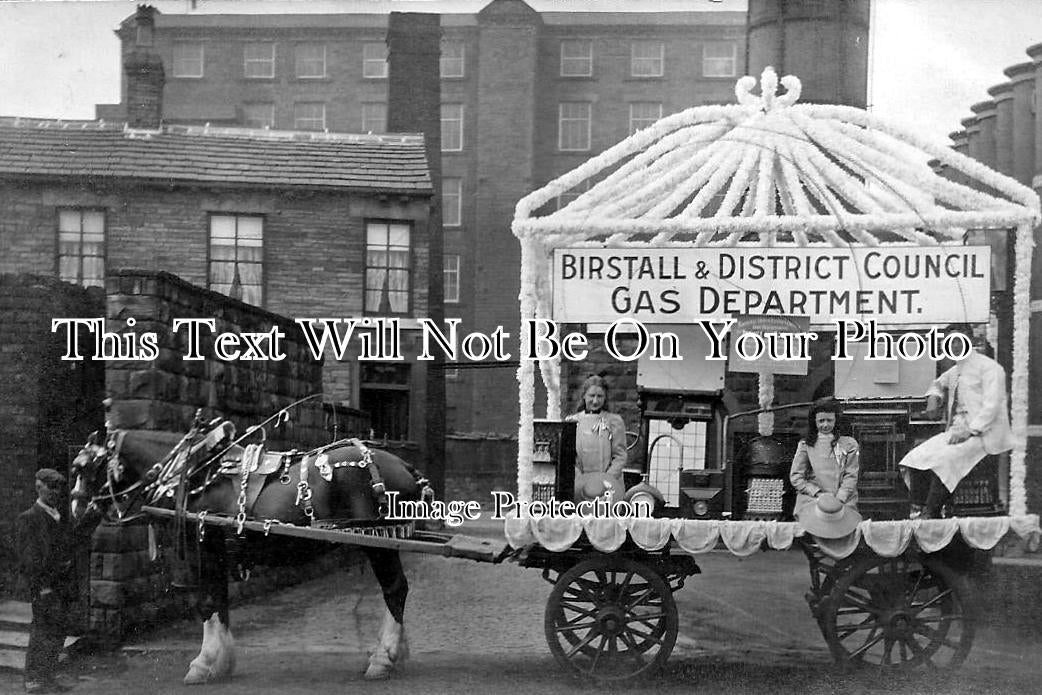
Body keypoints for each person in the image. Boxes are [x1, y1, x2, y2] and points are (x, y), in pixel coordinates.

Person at [899, 324, 1017, 519]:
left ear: (969, 341)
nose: (953, 346)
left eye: (957, 341)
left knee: (944, 460)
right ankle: (918, 509)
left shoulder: (989, 368)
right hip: (956, 431)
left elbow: (993, 406)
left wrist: (970, 431)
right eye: (949, 342)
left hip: (983, 434)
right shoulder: (956, 370)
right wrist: (934, 397)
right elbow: (937, 383)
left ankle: (931, 512)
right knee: (915, 457)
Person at [15, 469, 100, 694]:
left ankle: (48, 678)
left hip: (61, 588)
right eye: (49, 486)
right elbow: (28, 560)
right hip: (45, 588)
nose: (54, 492)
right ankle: (33, 681)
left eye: (58, 488)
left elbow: (72, 543)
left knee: (57, 634)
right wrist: (41, 587)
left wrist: (92, 517)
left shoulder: (59, 517)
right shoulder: (29, 519)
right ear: (38, 486)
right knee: (42, 634)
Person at [789, 399, 861, 523]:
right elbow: (796, 477)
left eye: (829, 420)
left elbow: (851, 475)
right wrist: (817, 493)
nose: (825, 425)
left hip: (843, 498)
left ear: (836, 420)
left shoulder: (849, 444)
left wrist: (840, 497)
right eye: (821, 421)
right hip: (813, 498)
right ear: (814, 422)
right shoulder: (806, 445)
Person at [566, 376, 628, 499]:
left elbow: (620, 456)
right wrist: (581, 479)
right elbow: (568, 457)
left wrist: (605, 480)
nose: (595, 401)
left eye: (599, 396)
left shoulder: (614, 421)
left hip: (608, 486)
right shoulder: (572, 422)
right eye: (591, 396)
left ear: (605, 398)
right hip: (581, 485)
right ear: (584, 396)